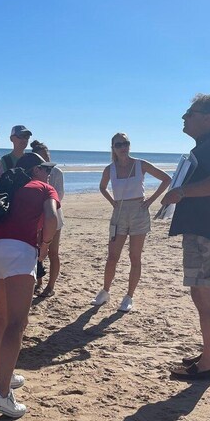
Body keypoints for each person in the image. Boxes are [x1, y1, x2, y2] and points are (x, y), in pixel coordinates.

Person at [0, 152, 59, 418]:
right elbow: (53, 220)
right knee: (17, 322)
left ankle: (2, 376)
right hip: (18, 249)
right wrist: (44, 247)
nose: (48, 173)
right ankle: (0, 393)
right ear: (35, 170)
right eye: (45, 168)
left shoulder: (5, 185)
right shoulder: (44, 187)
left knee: (2, 315)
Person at [161, 94, 210, 382]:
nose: (184, 118)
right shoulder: (209, 146)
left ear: (207, 118)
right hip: (209, 230)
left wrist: (182, 192)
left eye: (190, 113)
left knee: (202, 293)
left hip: (208, 232)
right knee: (209, 292)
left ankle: (208, 365)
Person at [91, 133, 170, 312]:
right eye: (119, 144)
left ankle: (129, 297)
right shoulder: (109, 169)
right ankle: (105, 291)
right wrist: (113, 202)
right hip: (119, 213)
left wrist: (151, 200)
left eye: (126, 143)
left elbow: (167, 179)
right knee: (112, 257)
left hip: (139, 212)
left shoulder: (140, 164)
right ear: (113, 147)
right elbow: (102, 187)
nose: (123, 147)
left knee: (135, 256)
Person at [31, 140, 64, 297]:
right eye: (43, 157)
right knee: (37, 250)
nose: (47, 160)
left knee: (53, 252)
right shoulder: (34, 171)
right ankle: (38, 282)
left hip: (54, 214)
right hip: (37, 217)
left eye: (48, 156)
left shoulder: (57, 173)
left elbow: (59, 196)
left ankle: (50, 286)